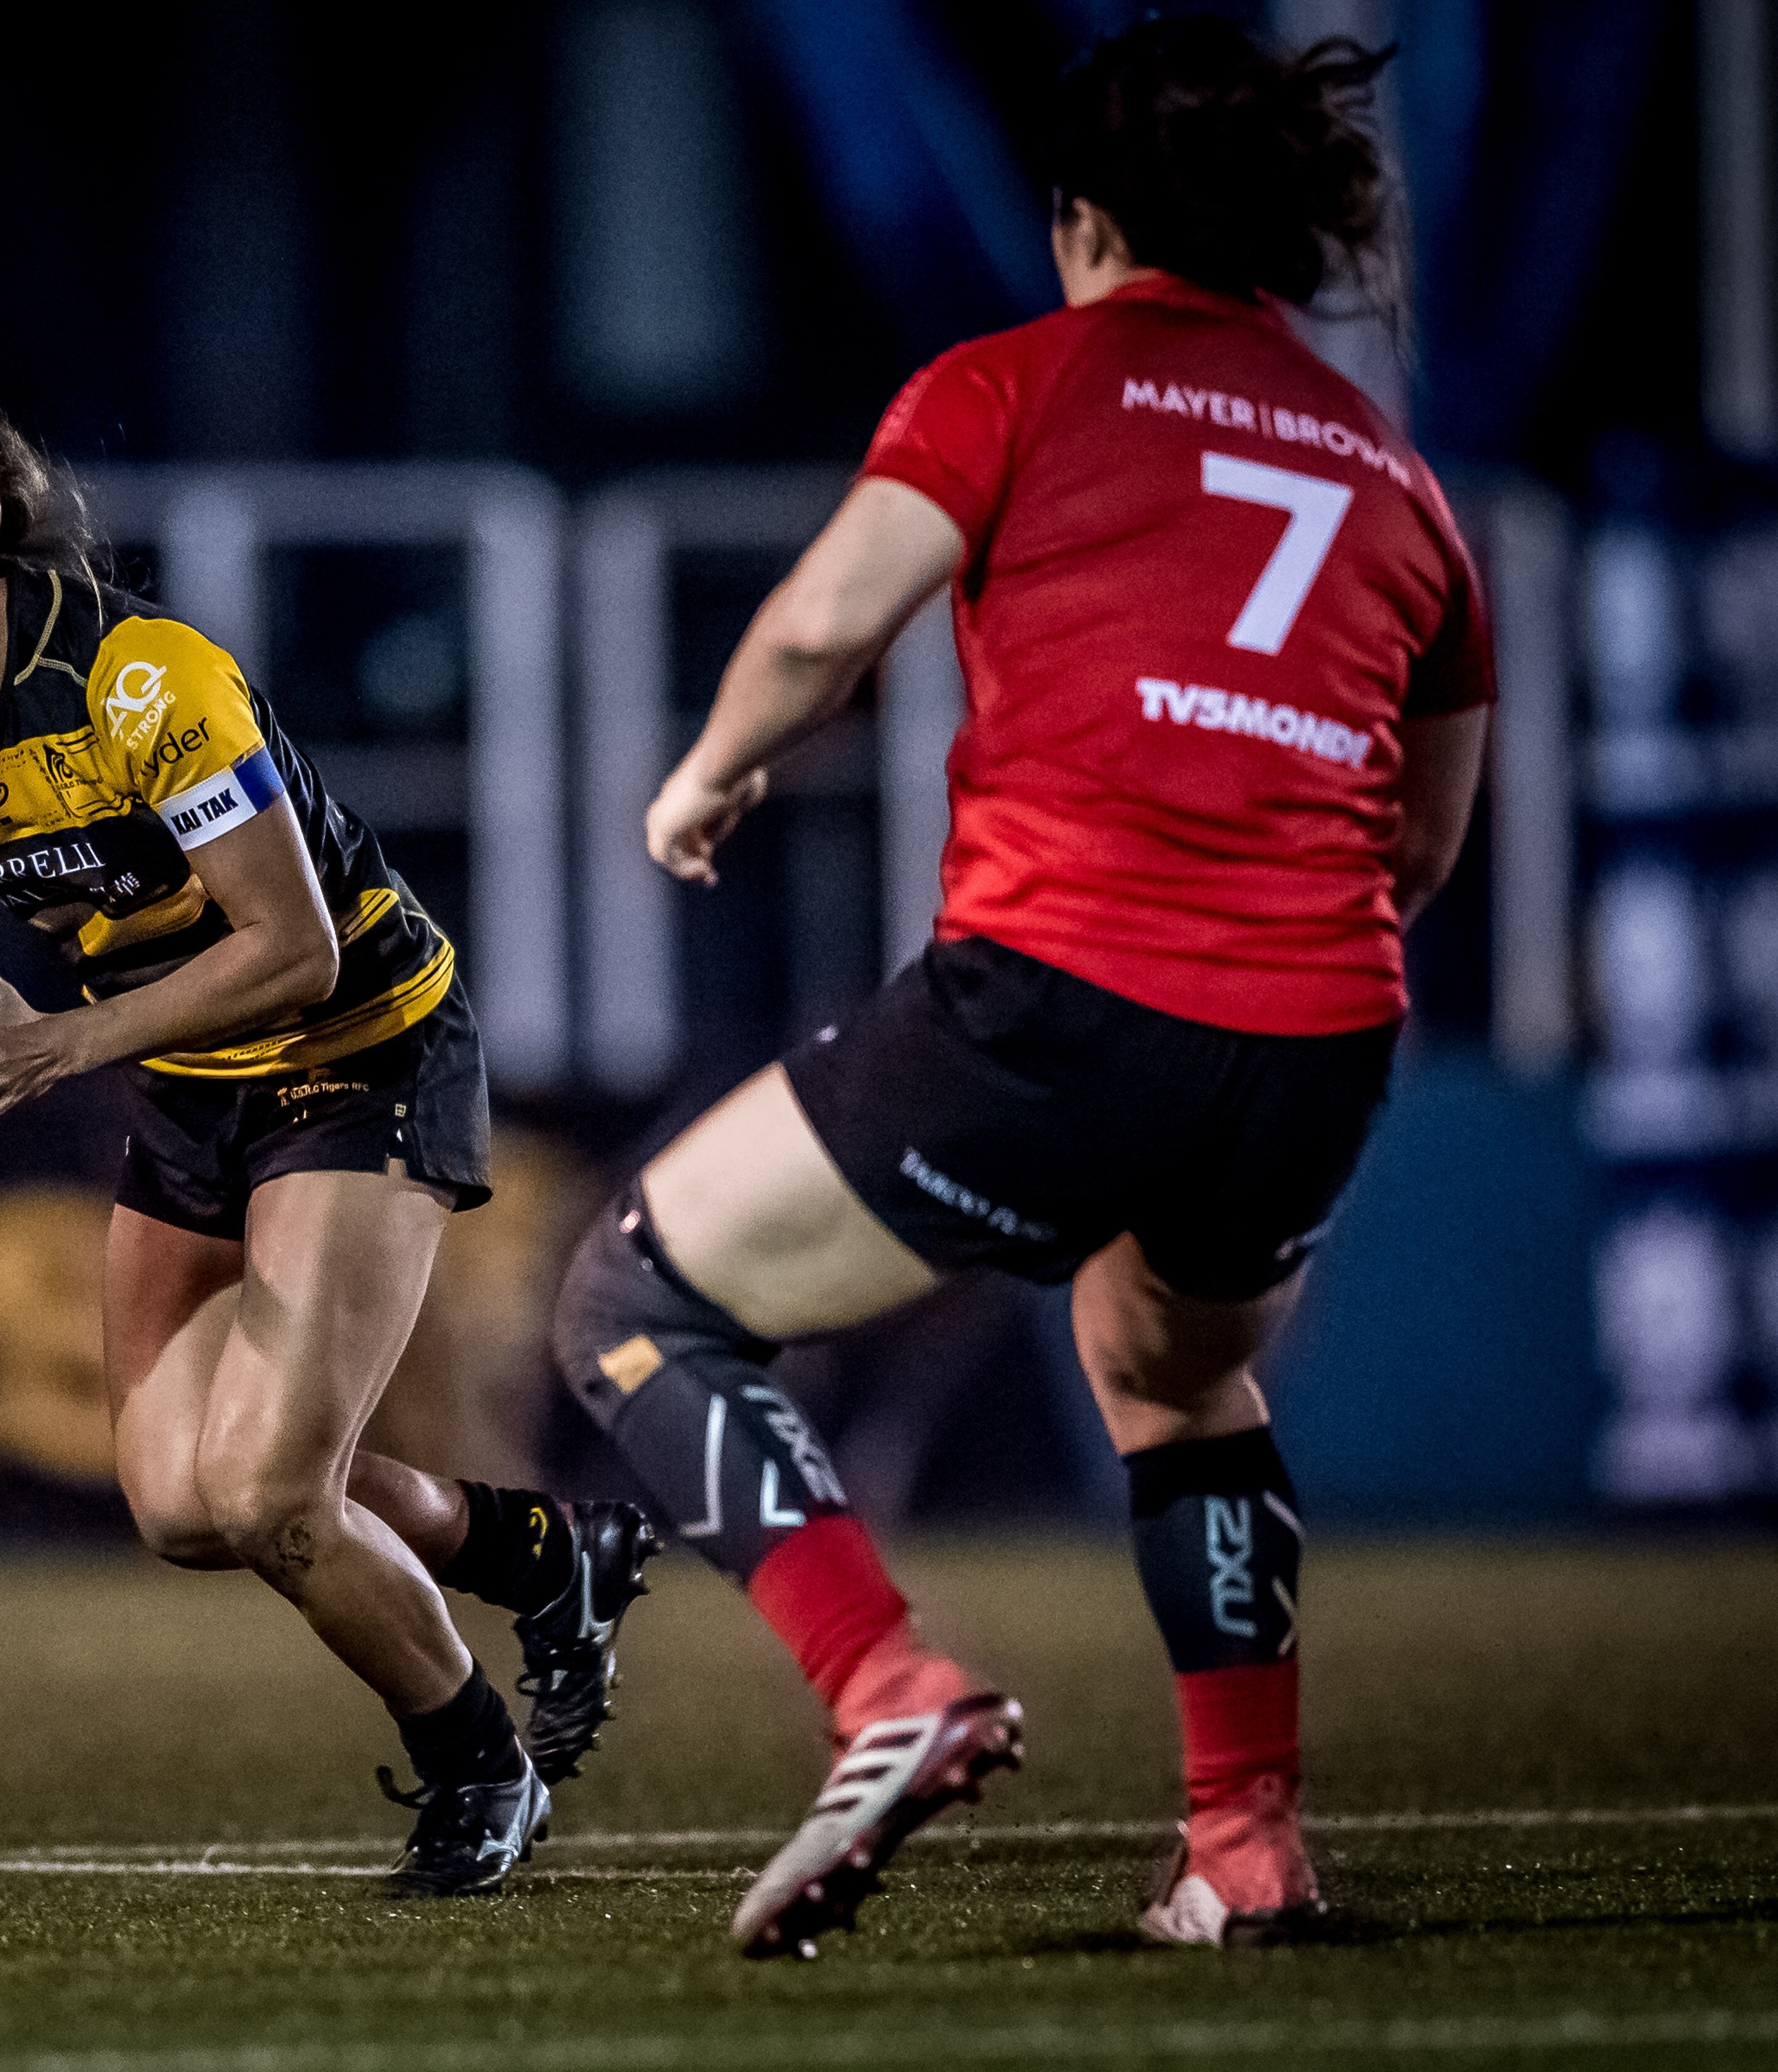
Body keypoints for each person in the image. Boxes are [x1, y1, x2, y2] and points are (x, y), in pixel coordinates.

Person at [545, 17, 1491, 1956]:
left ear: (1083, 224)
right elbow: (1424, 844)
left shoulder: (1018, 382)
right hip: (1317, 1038)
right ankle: (1245, 1844)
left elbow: (822, 622)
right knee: (1175, 1363)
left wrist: (711, 776)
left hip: (1061, 995)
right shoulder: (1402, 487)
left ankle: (884, 1681)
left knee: (638, 1293)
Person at [0, 281, 658, 1895]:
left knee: (271, 1488)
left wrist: (54, 1049)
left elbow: (294, 951)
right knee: (185, 1505)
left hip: (356, 1055)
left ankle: (480, 1767)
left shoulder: (143, 685)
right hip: (189, 1080)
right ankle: (549, 1559)